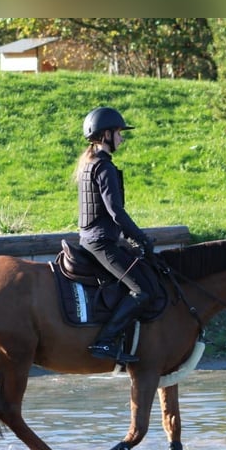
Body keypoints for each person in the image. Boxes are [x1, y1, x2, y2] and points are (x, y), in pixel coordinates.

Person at [75, 106, 155, 363]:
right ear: (106, 135)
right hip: (101, 243)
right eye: (119, 133)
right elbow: (116, 212)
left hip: (91, 239)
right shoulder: (104, 167)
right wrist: (140, 238)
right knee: (142, 291)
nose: (122, 138)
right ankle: (105, 342)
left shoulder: (89, 164)